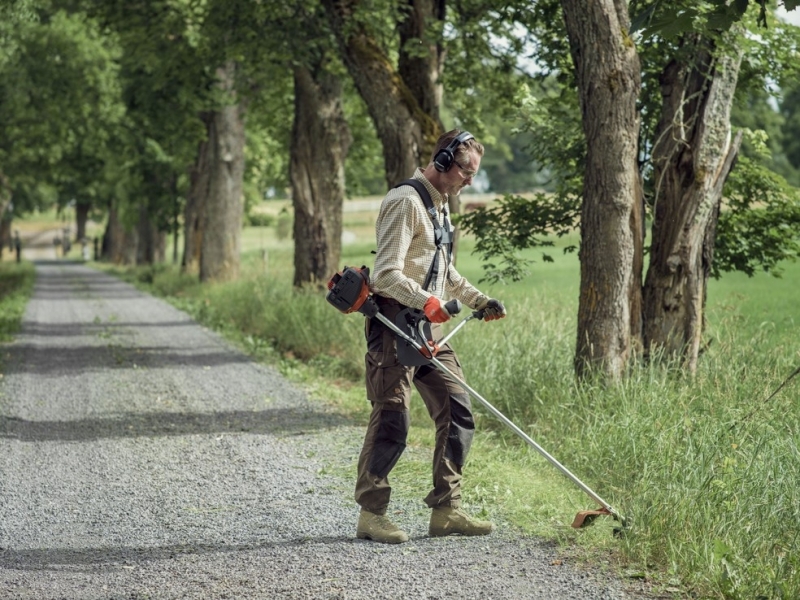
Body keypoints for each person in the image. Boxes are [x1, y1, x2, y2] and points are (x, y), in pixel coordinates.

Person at [355, 129, 507, 544]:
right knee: (393, 418)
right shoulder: (404, 201)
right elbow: (385, 273)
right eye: (465, 171)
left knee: (457, 409)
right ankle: (372, 513)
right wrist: (426, 301)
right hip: (392, 325)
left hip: (428, 327)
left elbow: (445, 272)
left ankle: (447, 509)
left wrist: (478, 300)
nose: (469, 181)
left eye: (473, 173)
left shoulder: (440, 207)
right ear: (441, 162)